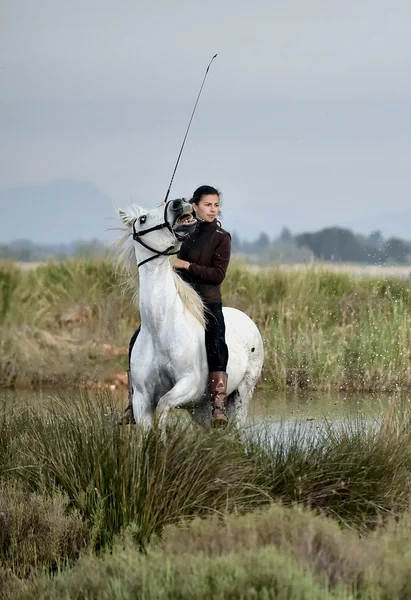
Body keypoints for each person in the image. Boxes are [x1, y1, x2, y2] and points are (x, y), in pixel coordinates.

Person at [121, 185, 231, 428]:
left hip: (206, 299)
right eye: (207, 205)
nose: (213, 210)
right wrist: (161, 216)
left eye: (216, 205)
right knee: (136, 339)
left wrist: (185, 266)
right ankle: (132, 402)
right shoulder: (183, 231)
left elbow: (217, 274)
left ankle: (218, 403)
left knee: (216, 340)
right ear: (195, 206)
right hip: (177, 297)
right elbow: (162, 236)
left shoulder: (221, 238)